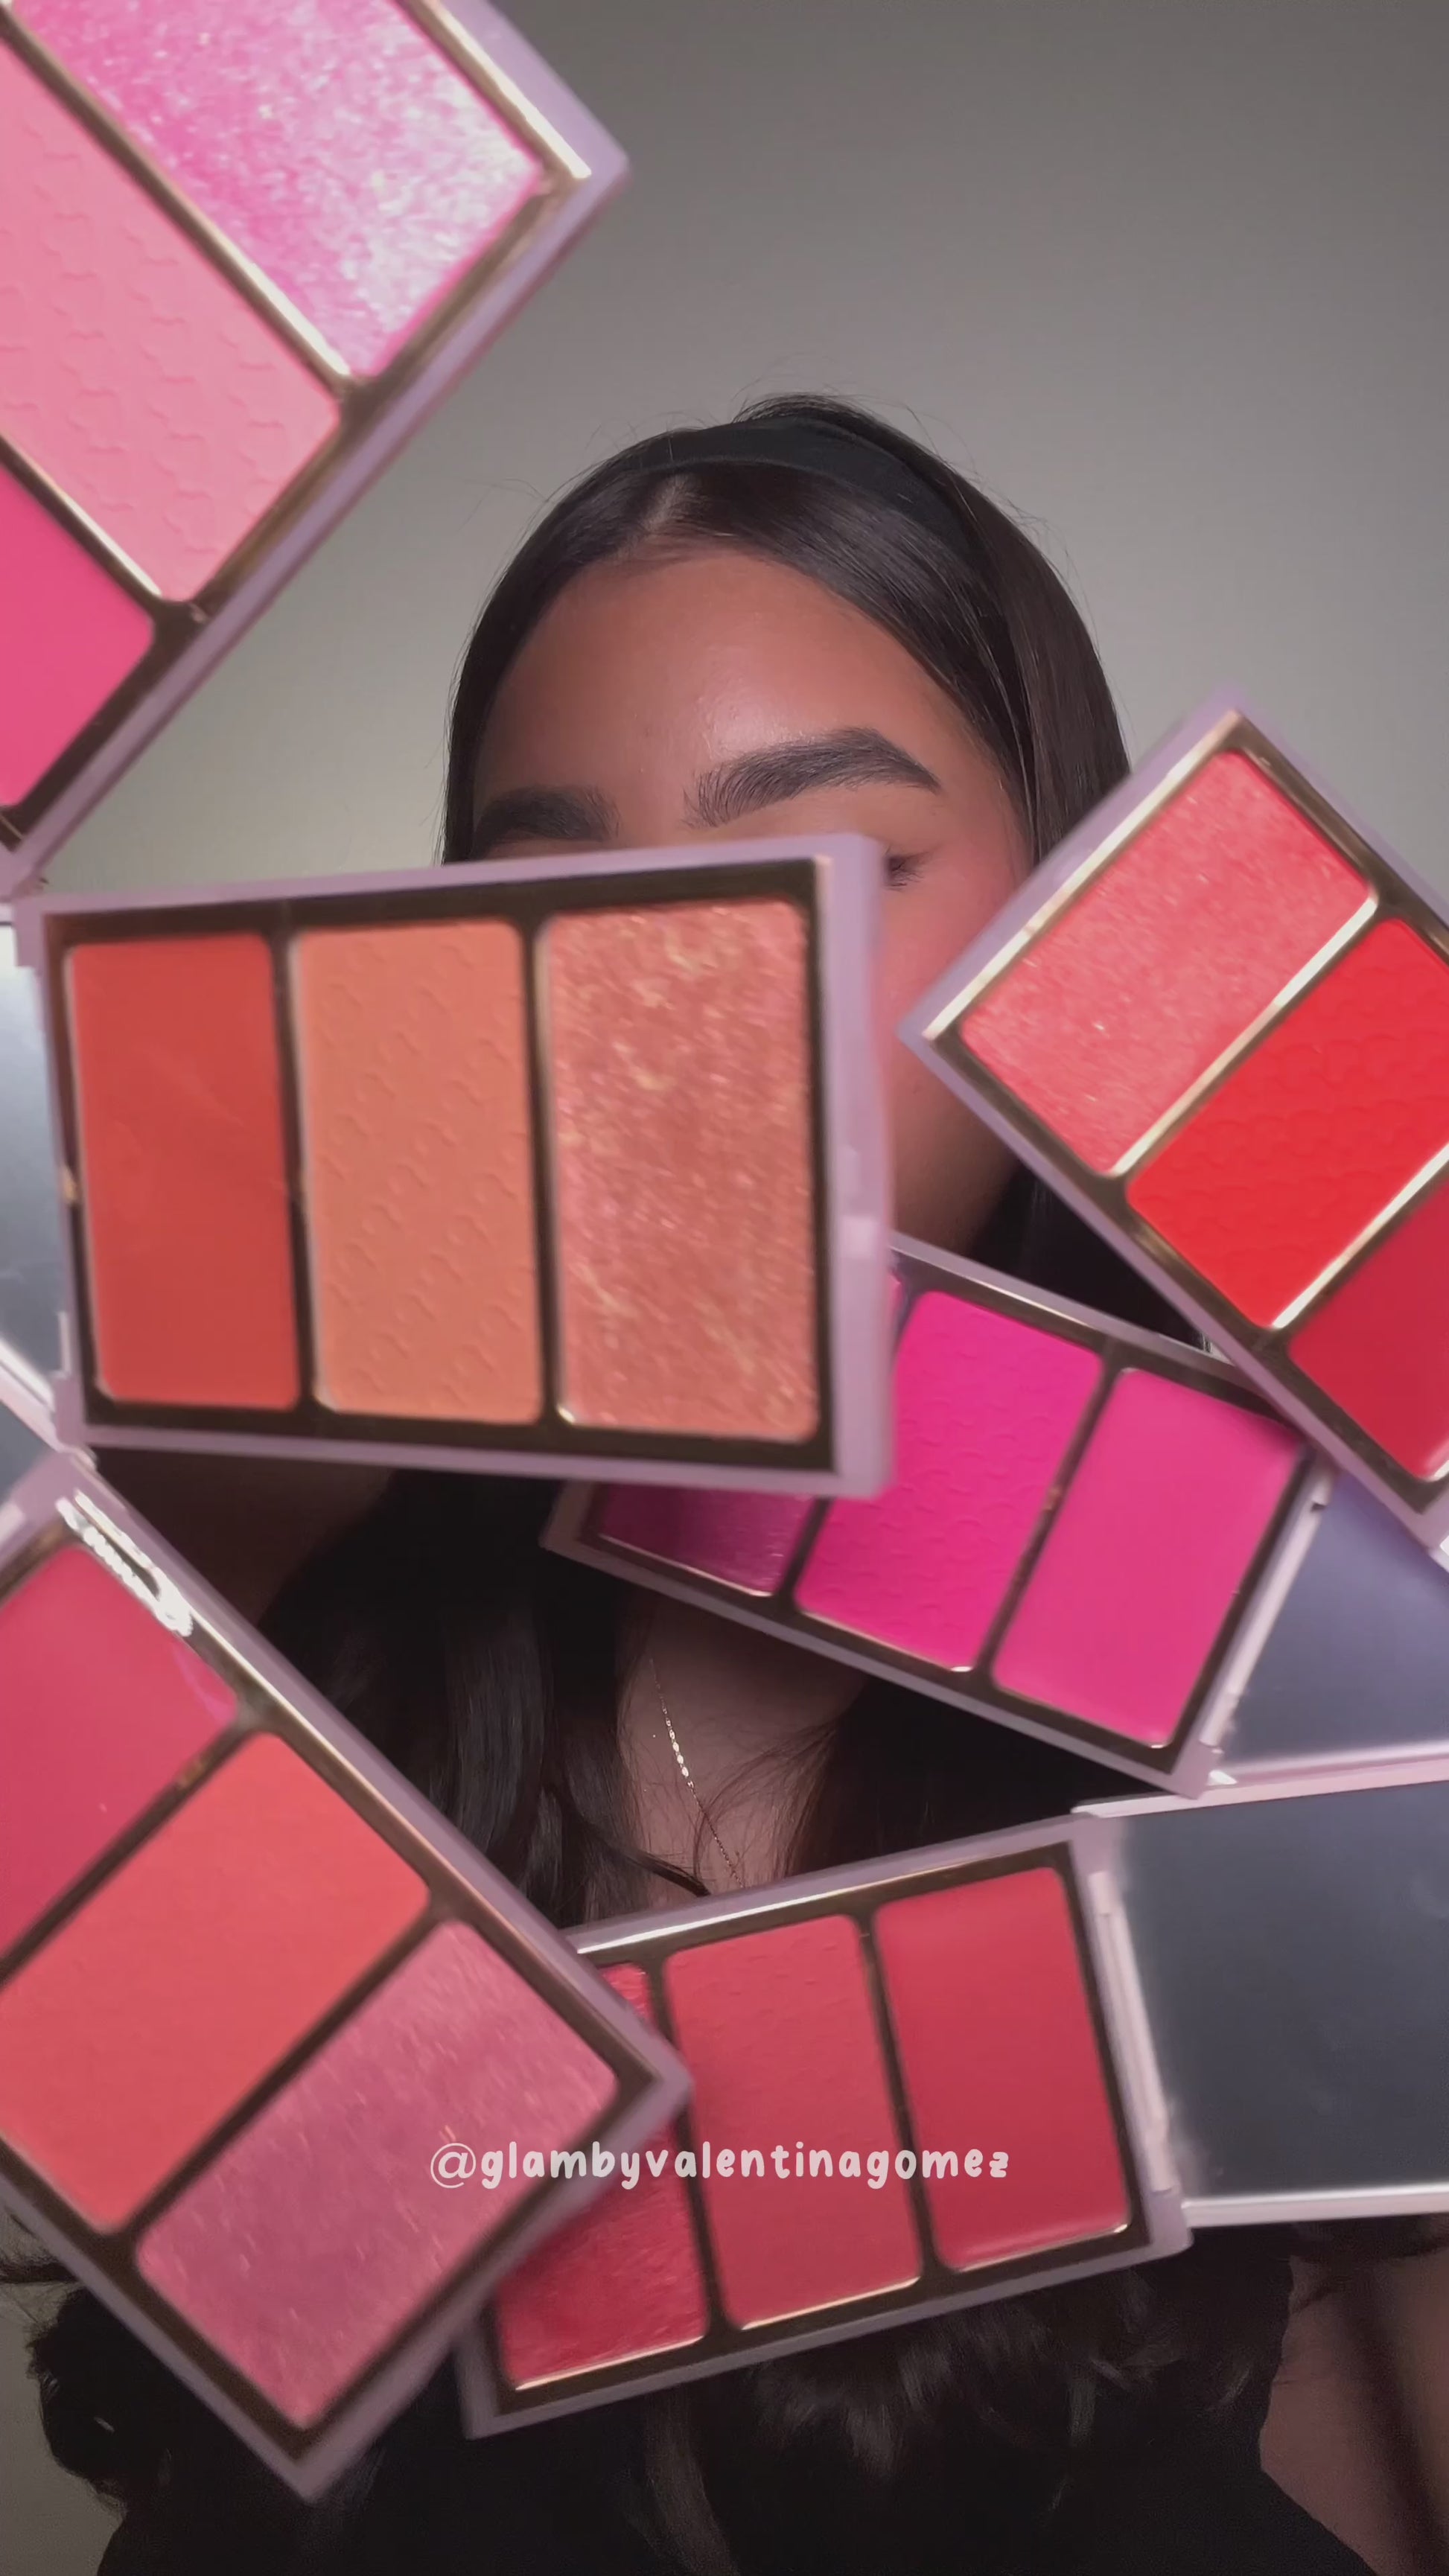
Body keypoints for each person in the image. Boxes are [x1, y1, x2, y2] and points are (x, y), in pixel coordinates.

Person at [15, 398, 1380, 2573]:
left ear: (1078, 926)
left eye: (829, 868)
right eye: (560, 901)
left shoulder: (1335, 1755)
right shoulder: (256, 1620)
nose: (682, 1011)